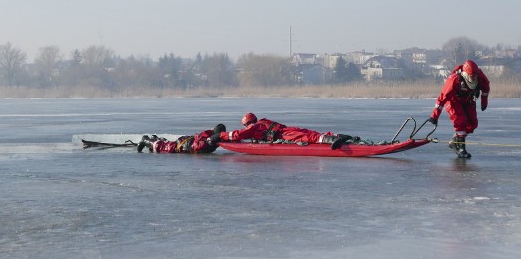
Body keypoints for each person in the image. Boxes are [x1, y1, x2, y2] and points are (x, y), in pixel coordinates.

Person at [428, 59, 490, 158]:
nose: (473, 77)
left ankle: (455, 140)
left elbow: (485, 89)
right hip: (454, 101)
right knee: (461, 120)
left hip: (468, 100)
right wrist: (434, 116)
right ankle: (461, 148)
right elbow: (442, 98)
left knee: (473, 123)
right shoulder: (454, 80)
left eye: (475, 75)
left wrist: (484, 102)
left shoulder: (480, 77)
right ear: (466, 73)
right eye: (471, 75)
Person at [214, 113, 359, 150]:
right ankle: (338, 136)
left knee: (308, 137)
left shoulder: (253, 127)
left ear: (247, 123)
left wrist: (221, 136)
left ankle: (335, 141)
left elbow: (238, 135)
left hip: (283, 134)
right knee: (310, 133)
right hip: (287, 129)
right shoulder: (262, 121)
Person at [137, 124, 226, 154]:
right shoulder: (207, 141)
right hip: (179, 146)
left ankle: (154, 138)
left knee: (165, 143)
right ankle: (145, 140)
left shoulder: (210, 139)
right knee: (161, 146)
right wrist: (211, 140)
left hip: (183, 143)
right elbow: (197, 146)